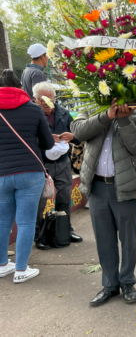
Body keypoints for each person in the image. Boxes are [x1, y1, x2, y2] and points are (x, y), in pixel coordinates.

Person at [71, 97, 136, 306]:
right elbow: (78, 132)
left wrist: (123, 120)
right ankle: (110, 285)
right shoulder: (90, 109)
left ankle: (128, 283)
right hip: (97, 188)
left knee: (128, 239)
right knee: (104, 240)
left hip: (125, 185)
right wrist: (107, 116)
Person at [0, 69, 54, 283]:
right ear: (20, 87)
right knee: (26, 222)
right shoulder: (33, 109)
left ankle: (2, 264)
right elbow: (48, 143)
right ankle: (21, 269)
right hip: (30, 173)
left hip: (1, 173)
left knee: (3, 221)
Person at [31, 82, 83, 250]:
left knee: (64, 197)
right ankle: (40, 235)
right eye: (43, 101)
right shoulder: (31, 113)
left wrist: (72, 136)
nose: (47, 104)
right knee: (40, 201)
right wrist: (45, 140)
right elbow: (26, 139)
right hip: (41, 164)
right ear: (35, 100)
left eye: (50, 100)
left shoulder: (63, 113)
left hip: (61, 162)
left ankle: (65, 229)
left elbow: (77, 135)